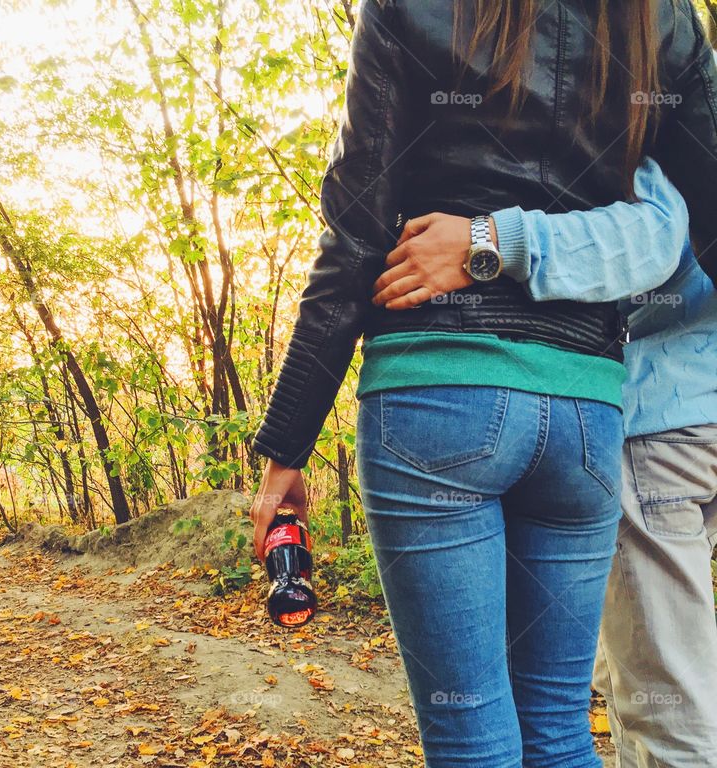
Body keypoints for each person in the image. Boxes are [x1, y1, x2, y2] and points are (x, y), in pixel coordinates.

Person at [249, 2, 717, 766]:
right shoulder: (660, 19)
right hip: (586, 414)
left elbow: (356, 235)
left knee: (472, 732)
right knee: (560, 730)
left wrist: (286, 450)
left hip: (437, 398)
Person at [381, 156, 717, 765]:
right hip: (635, 418)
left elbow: (655, 236)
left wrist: (489, 239)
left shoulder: (663, 91)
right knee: (574, 714)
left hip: (658, 416)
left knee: (662, 702)